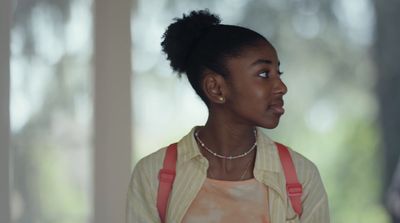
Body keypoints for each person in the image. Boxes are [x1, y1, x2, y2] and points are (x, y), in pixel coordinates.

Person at [126, 9, 329, 223]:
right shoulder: (153, 176)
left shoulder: (301, 176)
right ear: (216, 89)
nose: (281, 87)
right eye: (263, 74)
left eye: (279, 74)